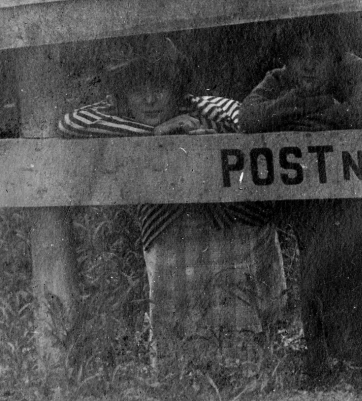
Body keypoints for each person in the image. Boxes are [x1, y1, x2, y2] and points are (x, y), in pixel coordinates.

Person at [58, 35, 287, 360]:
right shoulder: (122, 118)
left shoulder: (208, 108)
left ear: (177, 87)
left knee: (251, 341)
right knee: (179, 349)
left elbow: (246, 118)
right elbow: (69, 123)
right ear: (125, 94)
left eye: (159, 87)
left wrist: (212, 142)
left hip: (235, 227)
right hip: (170, 232)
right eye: (138, 89)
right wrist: (154, 135)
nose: (150, 99)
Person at [240, 15, 362, 376]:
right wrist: (293, 105)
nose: (308, 65)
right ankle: (320, 357)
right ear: (286, 59)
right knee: (316, 266)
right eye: (298, 55)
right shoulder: (279, 81)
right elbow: (249, 116)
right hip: (311, 193)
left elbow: (359, 113)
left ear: (335, 55)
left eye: (319, 54)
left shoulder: (358, 71)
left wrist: (309, 116)